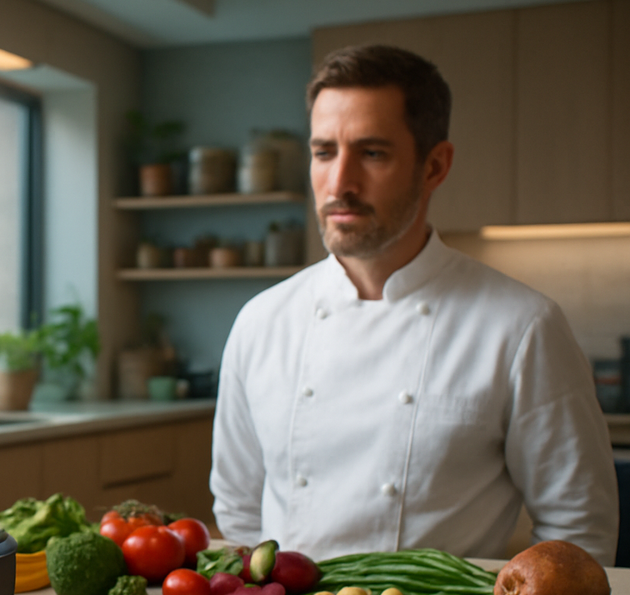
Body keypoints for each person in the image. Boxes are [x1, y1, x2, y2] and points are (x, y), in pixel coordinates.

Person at [209, 44, 619, 566]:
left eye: (372, 153)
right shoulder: (261, 322)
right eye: (324, 152)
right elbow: (240, 513)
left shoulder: (521, 327)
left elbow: (578, 529)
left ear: (434, 166)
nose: (340, 184)